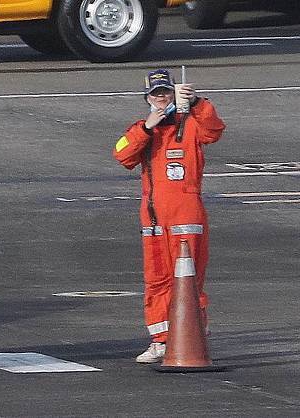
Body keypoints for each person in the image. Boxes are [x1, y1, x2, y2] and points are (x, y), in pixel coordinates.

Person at [113, 69, 225, 363]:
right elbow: (121, 154)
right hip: (152, 222)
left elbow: (214, 130)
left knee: (188, 281)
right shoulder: (142, 128)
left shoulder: (191, 124)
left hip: (186, 216)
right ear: (148, 98)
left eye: (166, 93)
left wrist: (197, 102)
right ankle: (161, 340)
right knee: (156, 281)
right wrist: (147, 128)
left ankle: (195, 336)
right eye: (156, 94)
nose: (161, 99)